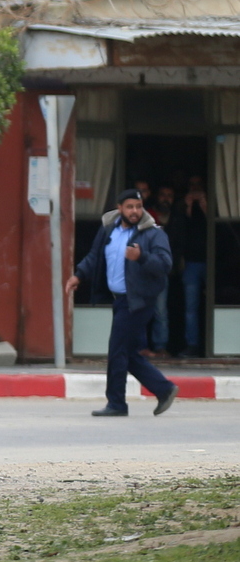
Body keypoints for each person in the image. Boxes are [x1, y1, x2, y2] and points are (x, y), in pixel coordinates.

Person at [68, 189, 178, 417]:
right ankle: (163, 388)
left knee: (117, 351)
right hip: (119, 300)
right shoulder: (109, 229)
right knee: (127, 352)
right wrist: (78, 275)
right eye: (130, 207)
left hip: (138, 301)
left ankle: (117, 403)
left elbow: (165, 264)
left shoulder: (152, 234)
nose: (135, 211)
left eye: (138, 207)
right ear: (119, 208)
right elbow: (94, 256)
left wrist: (142, 257)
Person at [170, 178, 211, 360]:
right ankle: (192, 345)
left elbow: (218, 224)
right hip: (191, 262)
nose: (195, 189)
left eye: (198, 185)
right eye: (192, 185)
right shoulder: (180, 205)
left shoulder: (216, 203)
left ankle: (217, 345)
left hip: (213, 262)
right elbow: (176, 228)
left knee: (216, 304)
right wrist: (185, 205)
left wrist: (204, 203)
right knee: (191, 307)